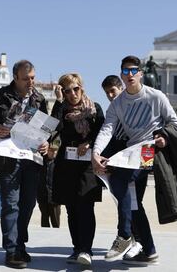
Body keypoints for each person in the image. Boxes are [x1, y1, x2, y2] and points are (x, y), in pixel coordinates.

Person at [92, 55, 177, 265]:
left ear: (140, 73)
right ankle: (149, 250)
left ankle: (124, 236)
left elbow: (174, 122)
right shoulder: (118, 104)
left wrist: (163, 137)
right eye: (126, 71)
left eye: (133, 71)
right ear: (122, 75)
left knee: (120, 179)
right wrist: (95, 153)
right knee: (133, 202)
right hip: (131, 151)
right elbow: (107, 129)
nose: (130, 75)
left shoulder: (156, 96)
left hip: (150, 150)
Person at [0, 60, 49, 269]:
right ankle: (11, 251)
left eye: (33, 77)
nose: (31, 82)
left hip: (31, 159)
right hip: (8, 159)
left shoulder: (39, 99)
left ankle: (20, 245)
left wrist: (46, 142)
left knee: (28, 204)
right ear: (15, 77)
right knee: (11, 204)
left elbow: (44, 130)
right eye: (26, 78)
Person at [51, 73, 104, 266]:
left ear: (82, 88)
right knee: (71, 208)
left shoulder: (94, 108)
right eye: (67, 91)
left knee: (86, 205)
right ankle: (76, 248)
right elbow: (50, 130)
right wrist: (57, 102)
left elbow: (102, 133)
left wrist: (89, 143)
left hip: (87, 163)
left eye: (76, 89)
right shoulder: (61, 108)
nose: (72, 94)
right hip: (66, 162)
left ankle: (86, 250)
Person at [100, 75, 143, 260]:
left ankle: (135, 240)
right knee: (127, 202)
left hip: (137, 159)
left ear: (121, 88)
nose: (110, 95)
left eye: (113, 91)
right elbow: (109, 136)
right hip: (120, 162)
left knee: (134, 204)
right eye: (107, 92)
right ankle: (133, 239)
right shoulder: (113, 110)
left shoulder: (135, 105)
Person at [37, 145, 61, 228]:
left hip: (54, 196)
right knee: (44, 219)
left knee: (55, 221)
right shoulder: (41, 161)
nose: (53, 153)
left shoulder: (59, 163)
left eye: (55, 151)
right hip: (42, 194)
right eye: (51, 150)